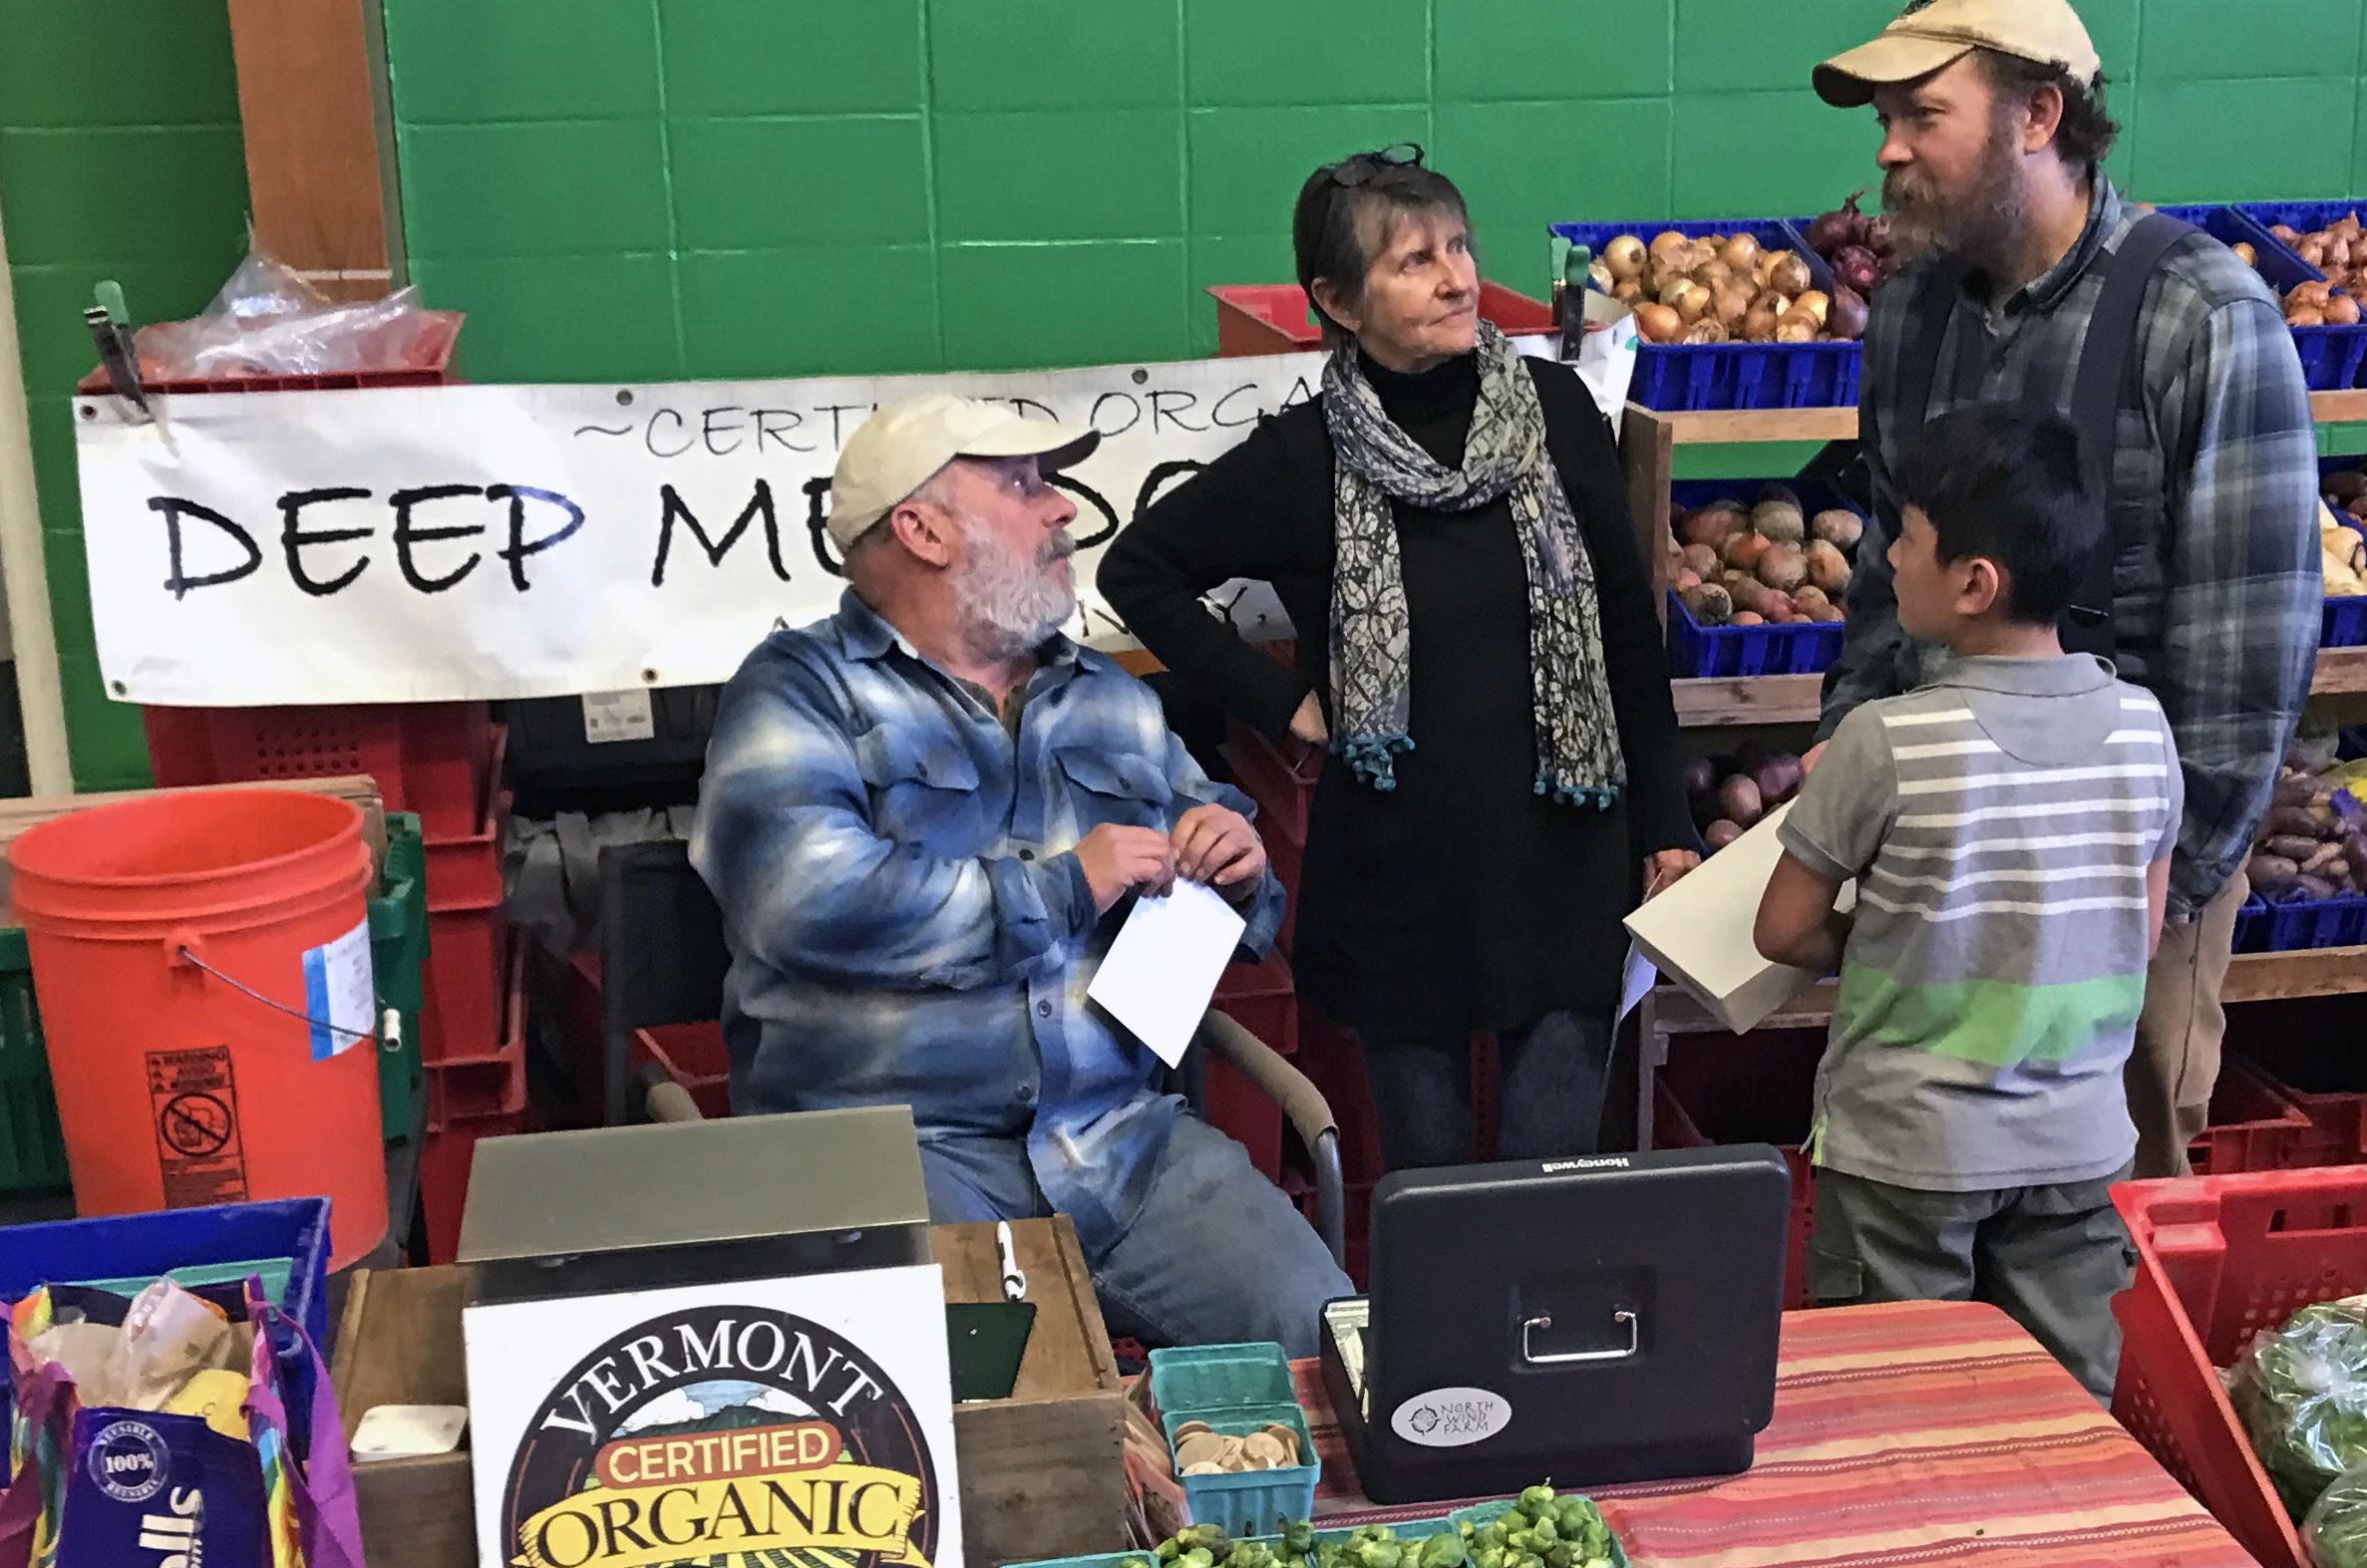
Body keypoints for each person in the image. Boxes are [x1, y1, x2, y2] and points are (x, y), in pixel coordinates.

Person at [692, 393, 1355, 1353]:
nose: (1063, 509)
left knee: (1340, 1349)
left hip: (1119, 1145)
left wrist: (1237, 868)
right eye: (1021, 484)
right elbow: (801, 904)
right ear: (920, 529)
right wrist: (1061, 887)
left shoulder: (1109, 698)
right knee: (1007, 1419)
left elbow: (1223, 879)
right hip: (892, 1154)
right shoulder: (800, 692)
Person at [1807, 0, 2316, 1178]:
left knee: (2109, 1201)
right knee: (1928, 1178)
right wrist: (1845, 755)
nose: (1887, 151)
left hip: (2120, 871)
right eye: (1884, 120)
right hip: (1939, 854)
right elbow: (1890, 568)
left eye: (1921, 115)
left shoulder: (2200, 317)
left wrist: (2166, 891)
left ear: (2037, 117)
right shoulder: (1910, 315)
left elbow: (2252, 634)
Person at [1101, 149, 1696, 1174]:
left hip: (1563, 869)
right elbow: (1138, 569)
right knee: (1431, 1193)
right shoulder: (1304, 460)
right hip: (1399, 882)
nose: (1458, 277)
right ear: (1336, 299)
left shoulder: (1556, 414)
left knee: (1547, 1188)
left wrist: (1670, 825)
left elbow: (1624, 633)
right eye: (1416, 260)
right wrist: (1282, 699)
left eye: (1459, 246)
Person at [1750, 410, 2181, 1396]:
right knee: (2060, 1410)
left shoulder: (1883, 741)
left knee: (1894, 1403)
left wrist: (1885, 931)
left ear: (1974, 584)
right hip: (2078, 1141)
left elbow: (1782, 928)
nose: (1889, 557)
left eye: (1905, 538)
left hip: (1909, 1149)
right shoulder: (2144, 731)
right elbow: (2142, 931)